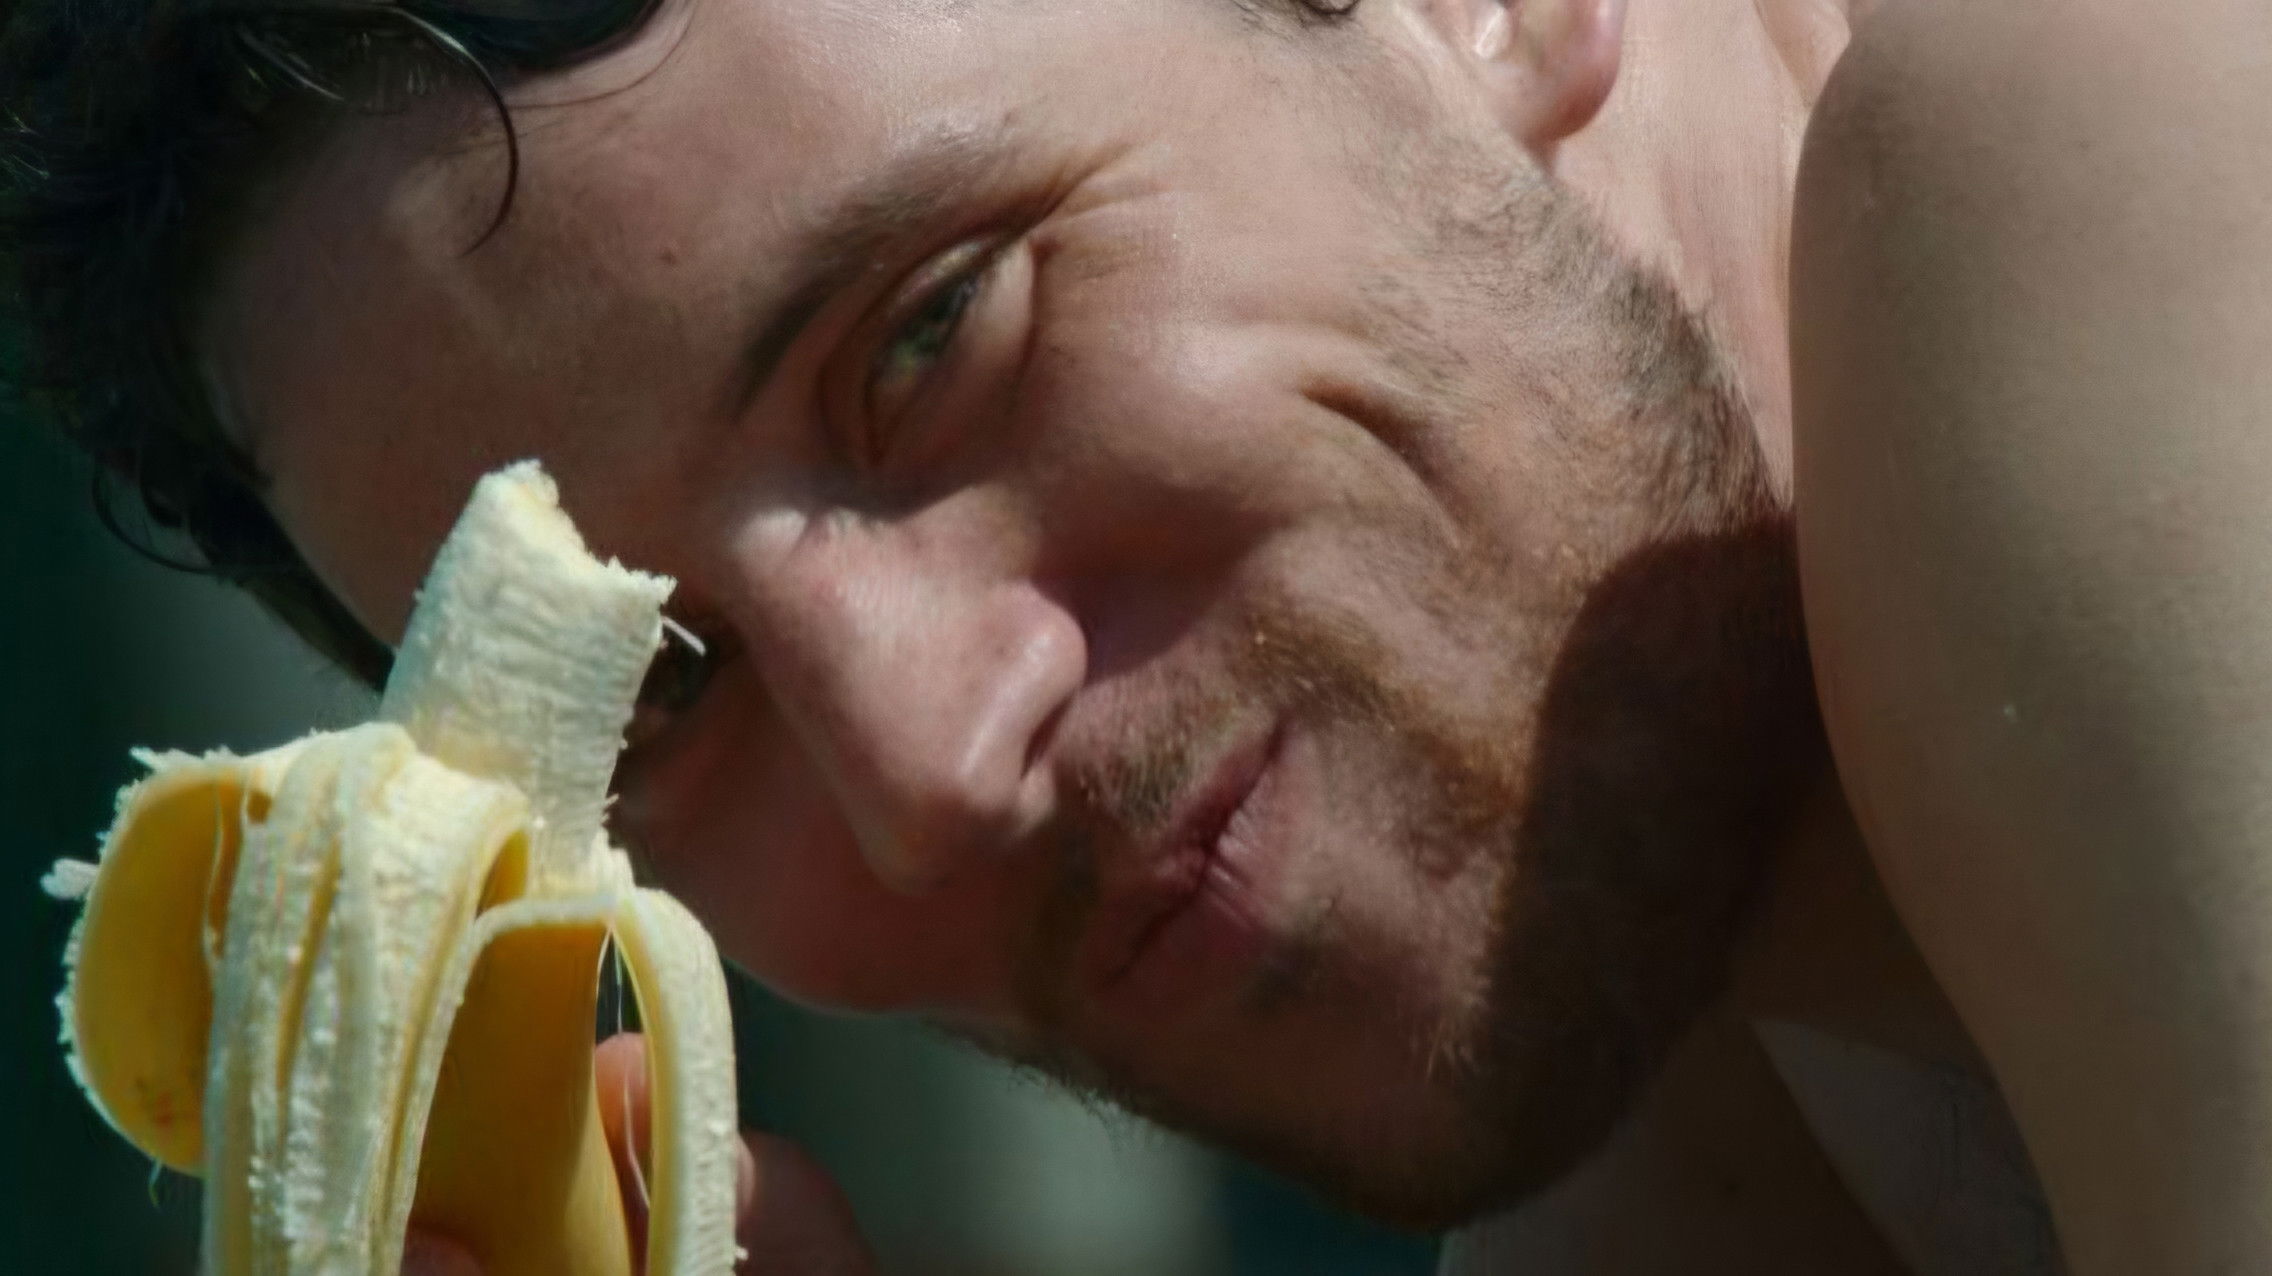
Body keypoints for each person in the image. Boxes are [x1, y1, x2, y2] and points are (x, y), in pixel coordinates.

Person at [9, 0, 2271, 1270]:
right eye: (657, 689)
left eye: (933, 334)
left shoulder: (2116, 154)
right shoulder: (1687, 1073)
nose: (919, 769)